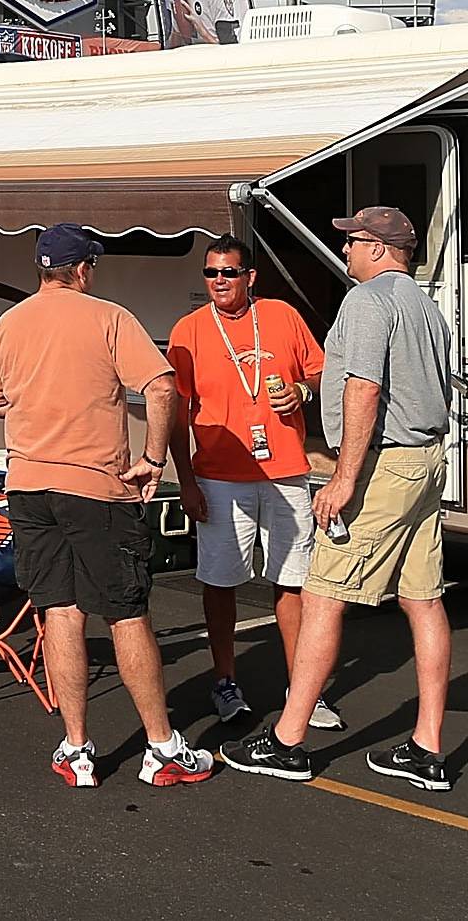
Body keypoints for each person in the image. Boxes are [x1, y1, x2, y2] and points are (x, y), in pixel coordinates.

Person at [0, 222, 214, 789]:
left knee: (60, 609)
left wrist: (39, 409)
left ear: (42, 269)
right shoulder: (108, 317)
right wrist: (155, 458)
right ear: (83, 269)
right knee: (126, 612)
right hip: (96, 487)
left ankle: (76, 747)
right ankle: (162, 748)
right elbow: (160, 386)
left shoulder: (9, 323)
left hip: (31, 484)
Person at [225, 206, 455, 793]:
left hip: (384, 464)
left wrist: (344, 477)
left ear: (379, 248)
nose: (345, 250)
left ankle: (287, 741)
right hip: (426, 461)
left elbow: (365, 387)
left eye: (352, 241)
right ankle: (427, 748)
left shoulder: (367, 302)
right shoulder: (426, 306)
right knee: (424, 600)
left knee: (324, 595)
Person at [165, 235, 337, 731]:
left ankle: (303, 689)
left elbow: (323, 371)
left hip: (286, 472)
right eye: (211, 273)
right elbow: (176, 413)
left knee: (294, 582)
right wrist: (187, 480)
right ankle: (225, 681)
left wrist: (303, 390)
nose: (220, 281)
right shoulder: (189, 331)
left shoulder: (281, 315)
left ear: (250, 277)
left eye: (229, 273)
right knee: (220, 584)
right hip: (220, 477)